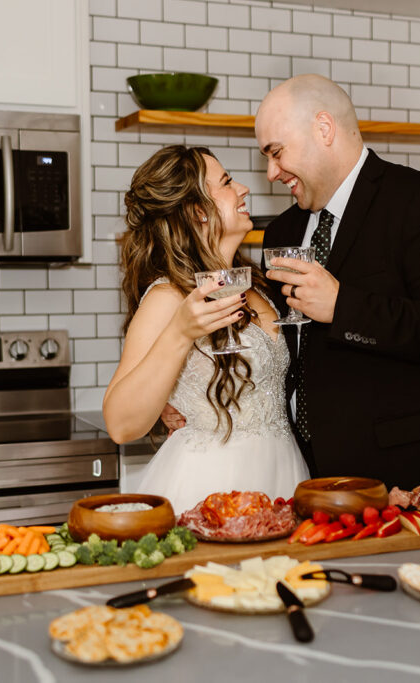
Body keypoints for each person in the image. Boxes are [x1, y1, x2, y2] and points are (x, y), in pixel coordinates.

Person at [253, 74, 420, 489]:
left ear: (323, 129)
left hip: (410, 478)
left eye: (276, 152)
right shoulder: (281, 235)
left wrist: (343, 306)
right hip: (306, 478)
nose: (272, 172)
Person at [103, 145, 309, 513]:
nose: (244, 188)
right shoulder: (169, 296)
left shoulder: (258, 285)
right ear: (198, 210)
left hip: (284, 473)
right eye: (228, 183)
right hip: (212, 484)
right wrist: (179, 333)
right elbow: (120, 424)